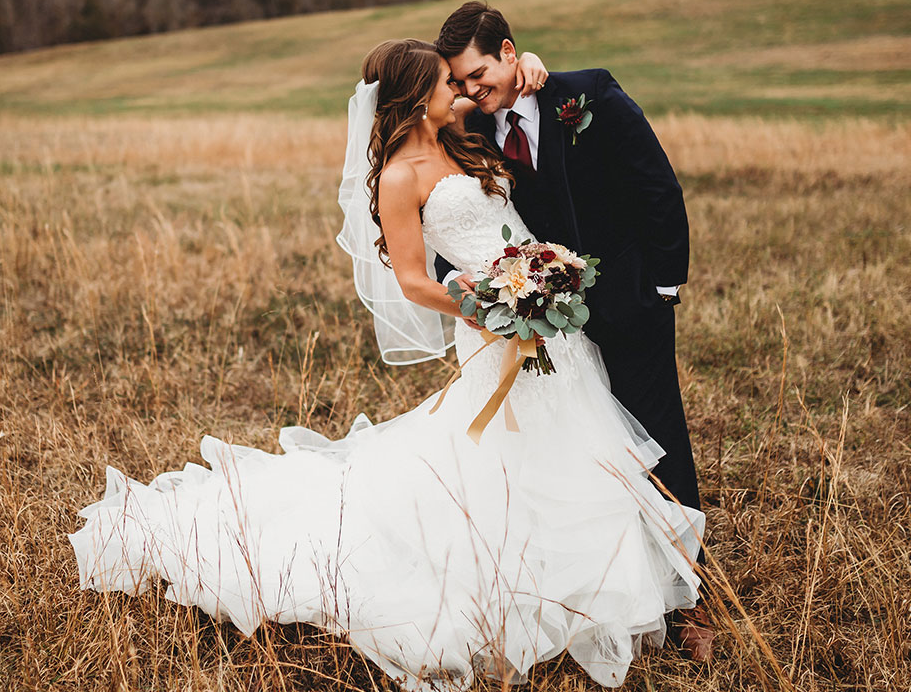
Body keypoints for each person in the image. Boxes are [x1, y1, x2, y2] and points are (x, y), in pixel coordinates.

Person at [70, 39, 704, 690]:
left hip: (544, 309)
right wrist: (487, 307)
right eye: (443, 82)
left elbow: (514, 100)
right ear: (412, 96)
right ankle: (516, 574)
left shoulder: (463, 133)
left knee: (574, 431)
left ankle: (601, 570)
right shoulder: (400, 176)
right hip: (491, 326)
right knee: (510, 451)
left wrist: (533, 67)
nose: (458, 89)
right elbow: (411, 279)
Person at [434, 1, 712, 660]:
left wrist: (664, 284)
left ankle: (691, 600)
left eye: (481, 73)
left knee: (659, 439)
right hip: (547, 324)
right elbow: (458, 217)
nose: (474, 90)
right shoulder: (469, 129)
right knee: (589, 447)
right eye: (462, 82)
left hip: (630, 304)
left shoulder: (588, 95)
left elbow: (657, 187)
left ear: (509, 51)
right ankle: (616, 587)